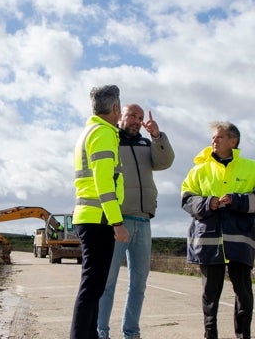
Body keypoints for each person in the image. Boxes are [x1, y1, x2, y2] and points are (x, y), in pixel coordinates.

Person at [181, 121, 255, 339]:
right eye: (213, 137)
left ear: (233, 141)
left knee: (243, 293)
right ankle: (209, 335)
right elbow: (186, 199)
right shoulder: (198, 170)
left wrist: (236, 200)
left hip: (239, 242)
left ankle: (243, 335)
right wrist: (207, 203)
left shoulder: (254, 168)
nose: (213, 140)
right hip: (208, 242)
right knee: (210, 295)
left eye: (219, 137)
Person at [97, 104, 175, 339]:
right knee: (107, 284)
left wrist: (157, 136)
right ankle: (101, 332)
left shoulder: (145, 144)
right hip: (117, 222)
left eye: (140, 118)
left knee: (138, 285)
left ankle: (131, 333)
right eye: (132, 115)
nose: (136, 121)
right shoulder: (111, 140)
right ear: (121, 116)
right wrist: (114, 219)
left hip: (143, 221)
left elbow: (165, 162)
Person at [71, 84, 130, 339]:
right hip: (98, 220)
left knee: (94, 287)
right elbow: (104, 183)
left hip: (91, 218)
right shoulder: (103, 133)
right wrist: (116, 221)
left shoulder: (90, 132)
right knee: (92, 287)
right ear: (116, 108)